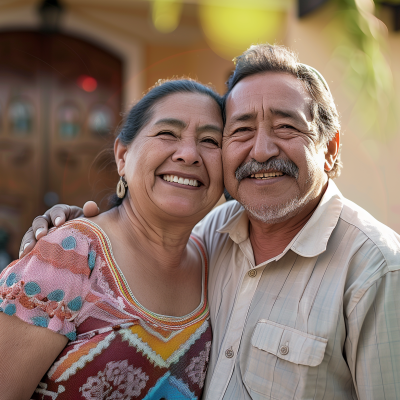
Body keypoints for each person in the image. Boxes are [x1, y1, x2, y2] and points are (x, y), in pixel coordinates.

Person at [20, 44, 400, 399]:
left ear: (329, 149)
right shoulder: (211, 235)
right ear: (122, 155)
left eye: (286, 127)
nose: (262, 150)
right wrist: (68, 235)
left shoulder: (375, 270)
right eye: (241, 131)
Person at [0, 79, 225, 399]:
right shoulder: (70, 254)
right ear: (122, 155)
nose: (189, 154)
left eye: (210, 140)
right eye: (167, 134)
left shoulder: (217, 257)